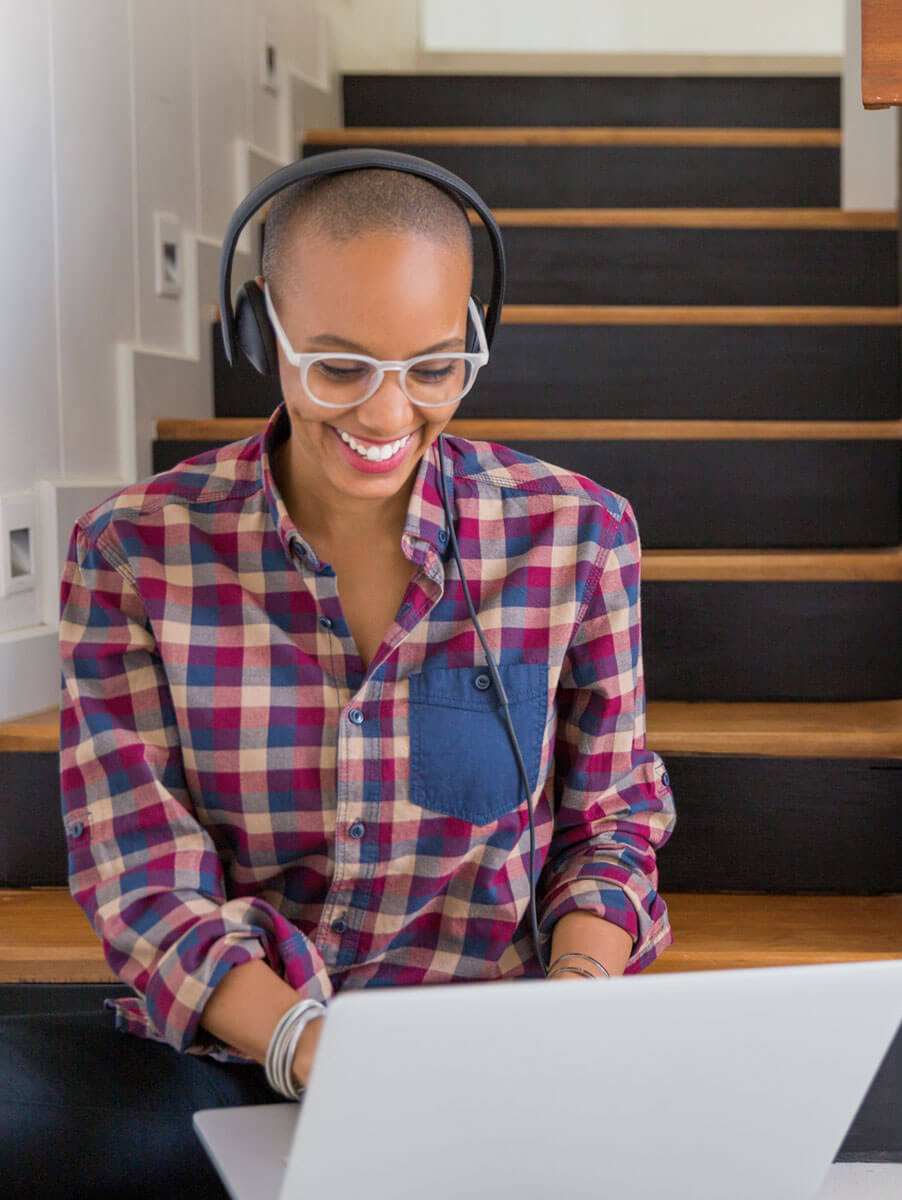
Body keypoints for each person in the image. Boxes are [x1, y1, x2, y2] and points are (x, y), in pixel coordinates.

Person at [0, 165, 676, 1197]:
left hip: (489, 1062)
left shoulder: (577, 534)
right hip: (238, 1052)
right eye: (338, 366)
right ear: (257, 332)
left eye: (436, 365)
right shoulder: (131, 553)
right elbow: (142, 874)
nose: (389, 410)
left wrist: (572, 1003)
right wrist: (313, 1048)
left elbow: (613, 820)